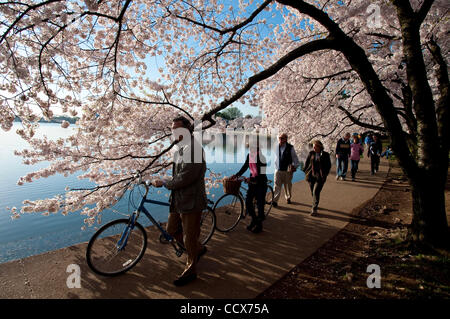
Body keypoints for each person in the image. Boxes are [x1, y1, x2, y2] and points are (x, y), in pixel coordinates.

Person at [153, 116, 207, 286]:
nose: (174, 132)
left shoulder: (195, 149)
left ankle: (191, 269)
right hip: (178, 199)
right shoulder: (181, 149)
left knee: (189, 237)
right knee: (171, 229)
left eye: (178, 129)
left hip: (191, 201)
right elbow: (179, 175)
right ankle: (198, 249)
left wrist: (165, 183)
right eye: (172, 129)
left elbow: (186, 177)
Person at [231, 142, 268, 233]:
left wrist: (250, 178)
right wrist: (236, 175)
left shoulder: (262, 158)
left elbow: (261, 174)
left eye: (253, 148)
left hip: (261, 183)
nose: (251, 150)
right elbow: (245, 166)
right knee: (248, 202)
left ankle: (259, 226)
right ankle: (254, 220)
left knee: (260, 205)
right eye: (250, 148)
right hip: (252, 183)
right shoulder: (249, 156)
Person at [302, 140, 331, 216]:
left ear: (320, 147)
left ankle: (314, 209)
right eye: (313, 146)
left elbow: (328, 166)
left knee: (316, 191)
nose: (314, 147)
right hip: (311, 175)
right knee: (313, 192)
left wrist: (325, 174)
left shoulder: (325, 155)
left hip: (320, 177)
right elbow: (307, 163)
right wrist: (304, 170)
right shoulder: (311, 153)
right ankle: (315, 202)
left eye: (315, 146)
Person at [272, 133, 300, 207]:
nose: (280, 140)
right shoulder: (276, 147)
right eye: (280, 138)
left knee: (287, 185)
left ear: (286, 139)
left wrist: (295, 166)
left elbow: (295, 158)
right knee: (276, 186)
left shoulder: (290, 147)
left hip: (287, 170)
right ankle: (274, 201)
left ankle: (288, 197)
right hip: (278, 169)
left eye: (282, 138)